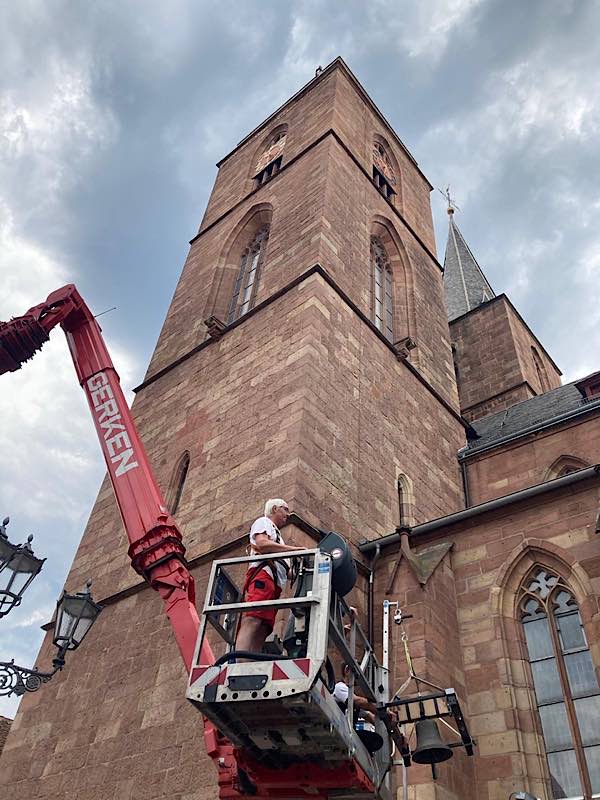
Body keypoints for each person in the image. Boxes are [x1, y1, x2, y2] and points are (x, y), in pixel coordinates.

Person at [235, 498, 305, 656]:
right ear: (274, 509)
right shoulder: (264, 522)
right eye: (285, 509)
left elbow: (286, 570)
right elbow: (261, 544)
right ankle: (240, 661)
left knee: (264, 626)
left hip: (274, 585)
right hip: (263, 576)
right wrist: (293, 550)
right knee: (253, 619)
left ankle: (250, 662)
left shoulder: (279, 537)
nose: (288, 513)